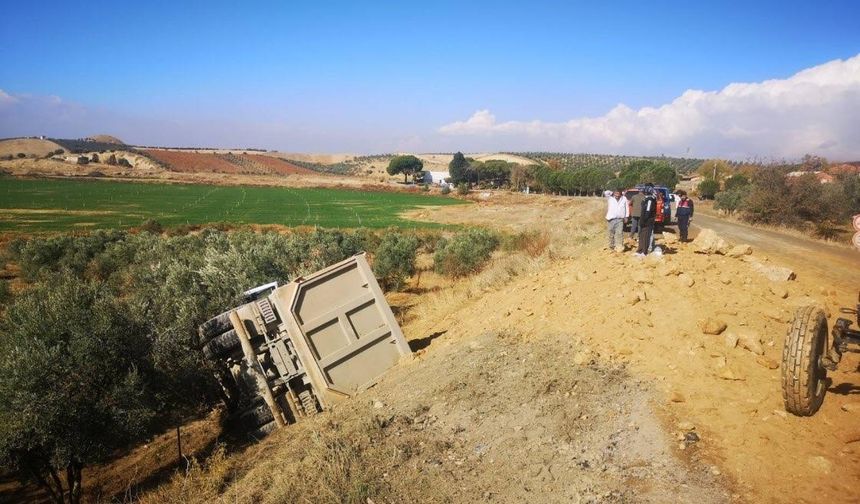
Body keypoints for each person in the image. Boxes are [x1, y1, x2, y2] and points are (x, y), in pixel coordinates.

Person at [636, 185, 657, 256]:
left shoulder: (650, 200)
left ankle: (644, 251)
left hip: (647, 221)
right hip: (644, 220)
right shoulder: (647, 199)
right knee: (641, 235)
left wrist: (644, 220)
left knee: (645, 236)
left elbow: (648, 211)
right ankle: (640, 250)